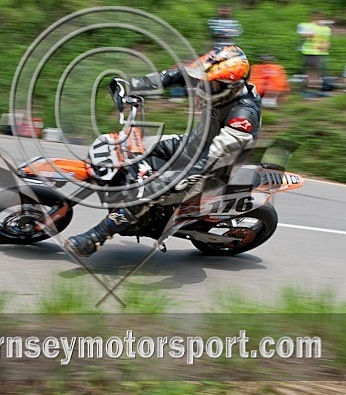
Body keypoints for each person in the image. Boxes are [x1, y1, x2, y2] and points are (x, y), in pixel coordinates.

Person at [66, 45, 261, 257]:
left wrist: (188, 175)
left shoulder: (243, 116)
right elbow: (178, 75)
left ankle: (96, 237)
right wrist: (133, 85)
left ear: (230, 87)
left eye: (209, 85)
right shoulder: (218, 82)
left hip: (212, 168)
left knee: (148, 189)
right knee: (134, 147)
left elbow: (217, 153)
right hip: (192, 144)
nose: (202, 87)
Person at [296, 11, 332, 99]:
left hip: (321, 52)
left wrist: (326, 46)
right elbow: (304, 35)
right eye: (316, 16)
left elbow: (327, 39)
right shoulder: (307, 26)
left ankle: (317, 91)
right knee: (312, 72)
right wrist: (312, 31)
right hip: (310, 52)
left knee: (319, 73)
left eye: (320, 16)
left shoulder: (326, 28)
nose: (318, 18)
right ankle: (309, 91)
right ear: (311, 17)